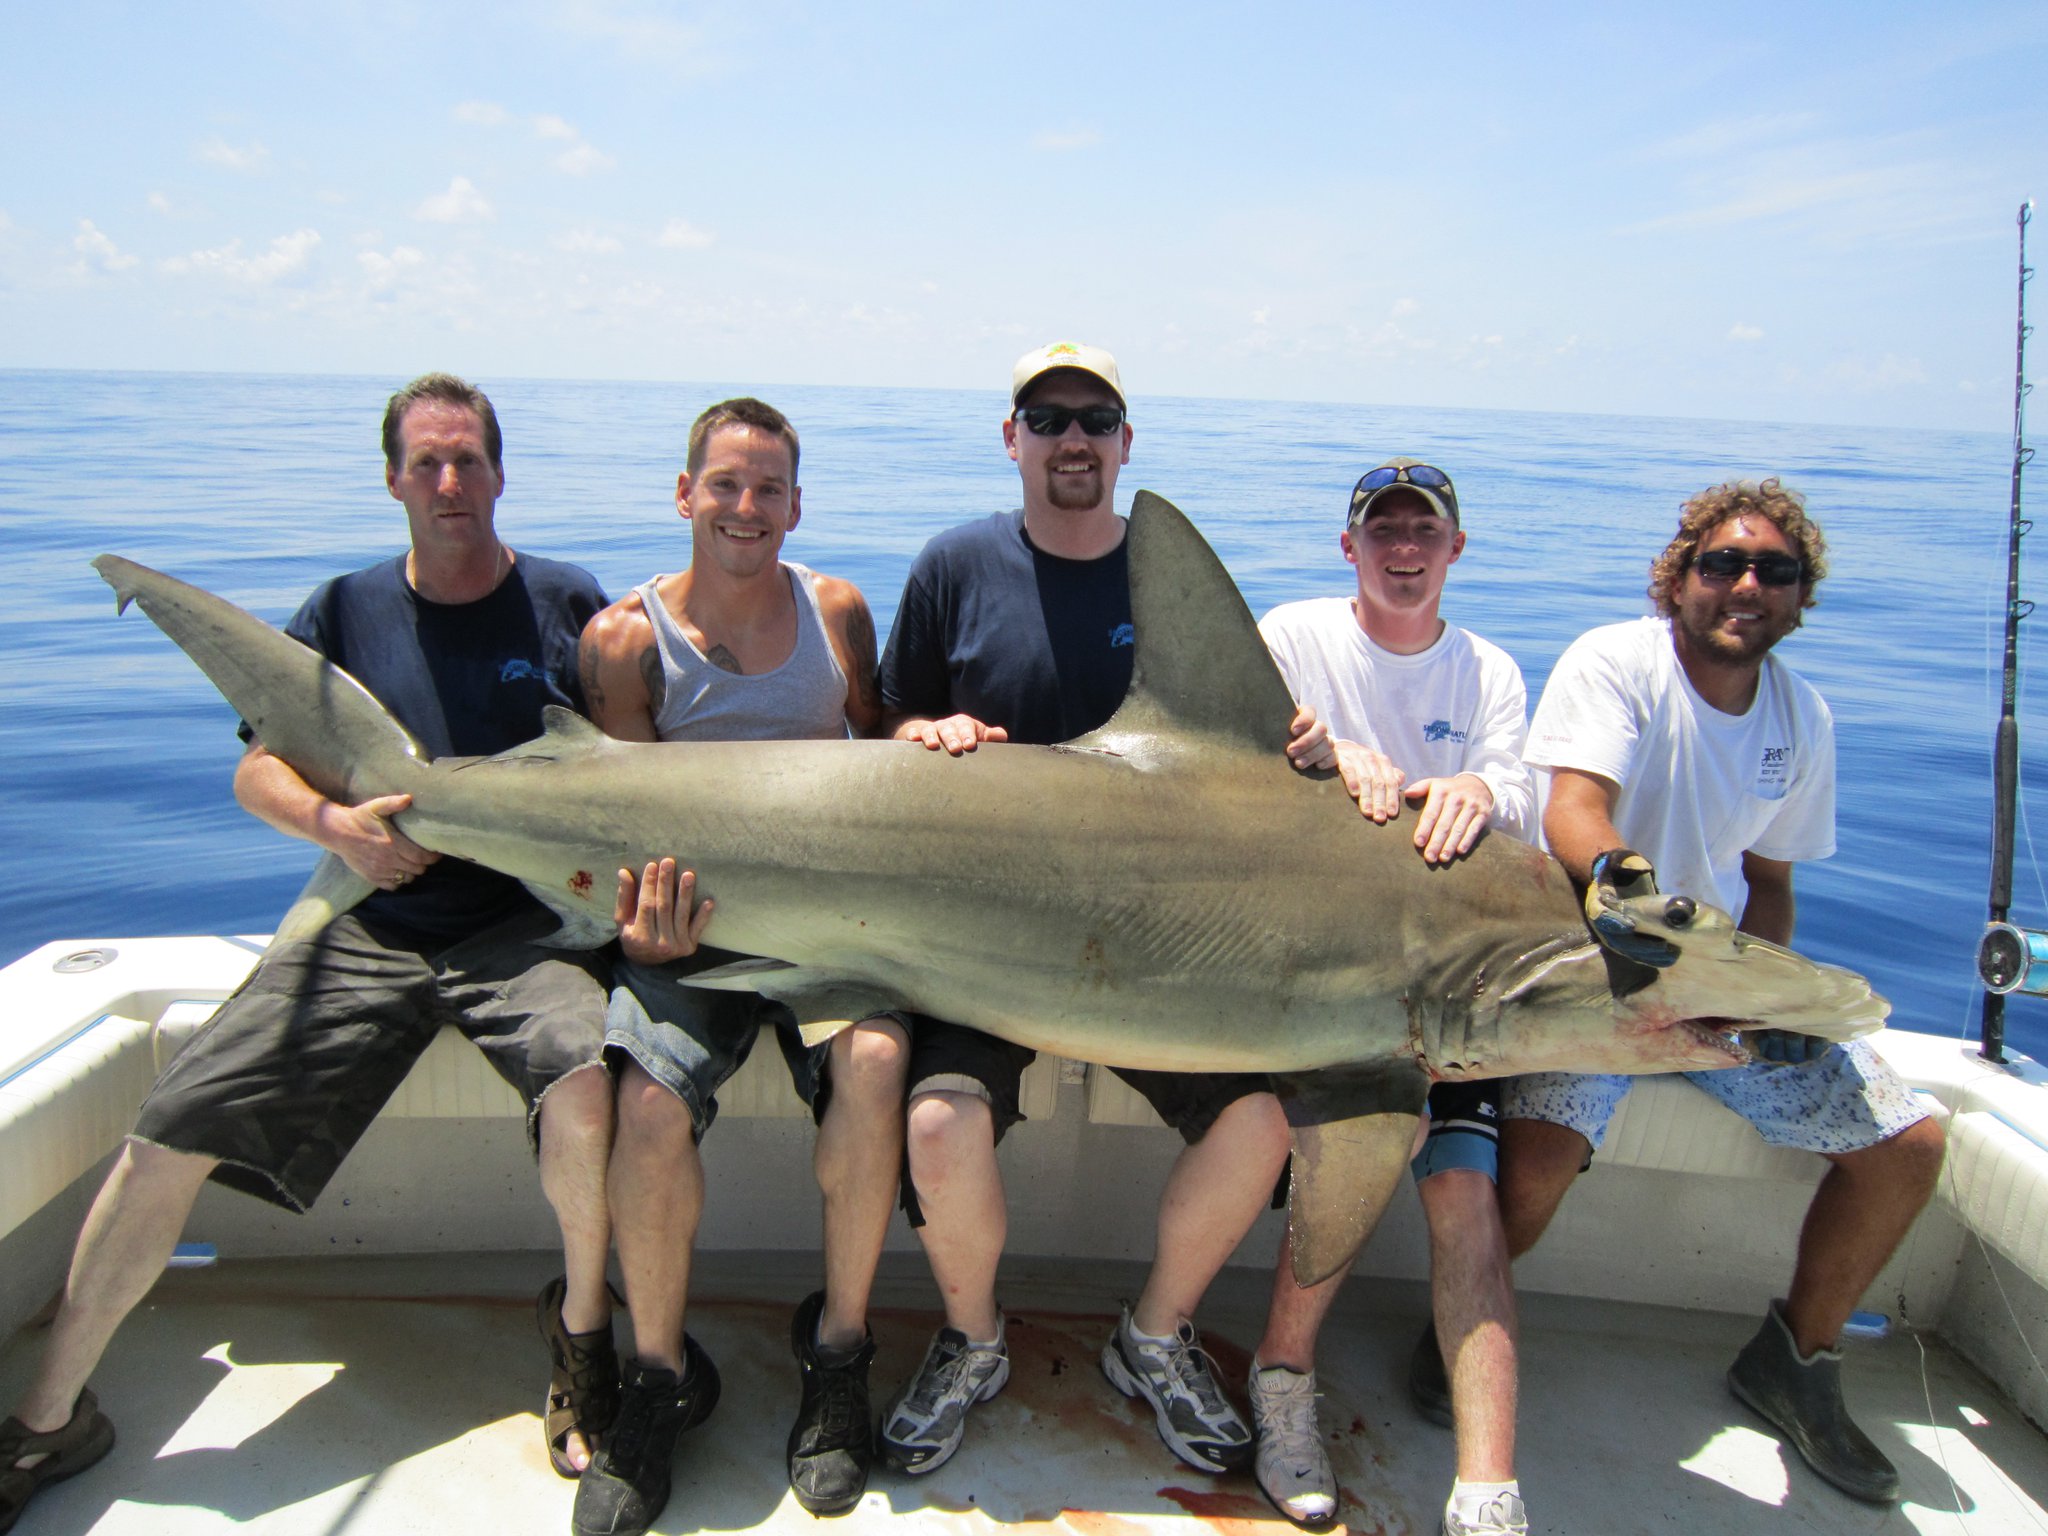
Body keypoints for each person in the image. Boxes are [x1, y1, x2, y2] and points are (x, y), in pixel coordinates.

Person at [0, 373, 617, 1531]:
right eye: (425, 462)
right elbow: (256, 768)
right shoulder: (340, 612)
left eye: (468, 460)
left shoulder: (567, 602)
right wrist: (332, 827)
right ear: (391, 478)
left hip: (529, 931)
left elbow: (635, 763)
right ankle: (48, 1414)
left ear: (500, 472)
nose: (448, 483)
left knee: (587, 1089)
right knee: (171, 1124)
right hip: (370, 926)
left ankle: (584, 1340)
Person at [873, 342, 1335, 1480]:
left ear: (1126, 441)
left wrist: (1308, 754)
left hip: (1161, 956)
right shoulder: (952, 564)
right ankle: (974, 1340)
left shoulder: (1169, 580)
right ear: (1011, 438)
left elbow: (1235, 757)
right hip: (987, 941)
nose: (1070, 437)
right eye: (1046, 416)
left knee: (1263, 1121)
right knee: (935, 1126)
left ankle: (1153, 1336)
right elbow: (886, 729)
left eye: (1095, 417)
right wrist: (919, 738)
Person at [1499, 477, 1947, 1506]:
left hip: (1713, 991)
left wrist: (1749, 1001)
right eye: (1720, 564)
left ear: (1797, 597)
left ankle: (1794, 1359)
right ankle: (1473, 1335)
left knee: (1907, 1146)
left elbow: (1772, 884)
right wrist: (1647, 919)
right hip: (1586, 967)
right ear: (1678, 577)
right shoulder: (1616, 661)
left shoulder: (1803, 716)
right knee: (1533, 1169)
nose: (1745, 585)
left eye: (1772, 571)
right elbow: (1572, 811)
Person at [568, 398, 905, 1532]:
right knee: (646, 1110)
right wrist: (638, 934)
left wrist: (934, 736)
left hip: (824, 933)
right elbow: (615, 825)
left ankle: (840, 1357)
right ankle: (656, 1379)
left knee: (872, 1065)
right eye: (724, 484)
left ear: (796, 506)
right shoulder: (623, 643)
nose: (745, 507)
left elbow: (881, 733)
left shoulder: (836, 610)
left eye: (767, 489)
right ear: (683, 495)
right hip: (691, 939)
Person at [1252, 459, 1535, 1536]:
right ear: (1349, 546)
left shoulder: (1488, 672)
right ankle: (1282, 1382)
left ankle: (1488, 1491)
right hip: (1311, 974)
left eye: (1425, 529)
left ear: (1455, 549)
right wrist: (1328, 757)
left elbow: (1515, 788)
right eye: (1383, 529)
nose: (1403, 546)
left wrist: (1480, 788)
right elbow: (1243, 755)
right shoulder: (1294, 638)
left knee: (1463, 1194)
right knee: (1363, 1135)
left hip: (1443, 989)